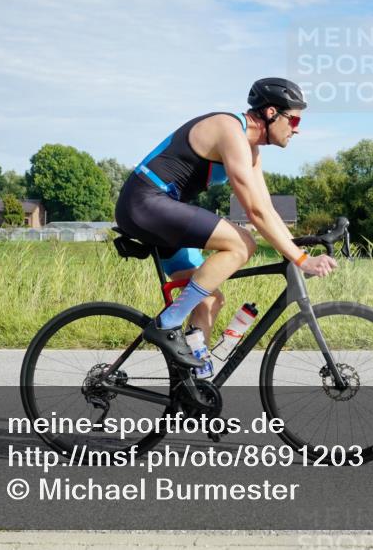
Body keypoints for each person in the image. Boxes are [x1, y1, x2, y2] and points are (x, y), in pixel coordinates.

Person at [114, 77, 338, 367]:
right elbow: (254, 212)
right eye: (294, 120)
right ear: (271, 113)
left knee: (209, 300)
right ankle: (167, 324)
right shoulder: (229, 130)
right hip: (144, 204)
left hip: (161, 210)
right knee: (243, 243)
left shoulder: (251, 151)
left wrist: (297, 249)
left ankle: (192, 384)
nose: (297, 129)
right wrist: (302, 260)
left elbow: (267, 208)